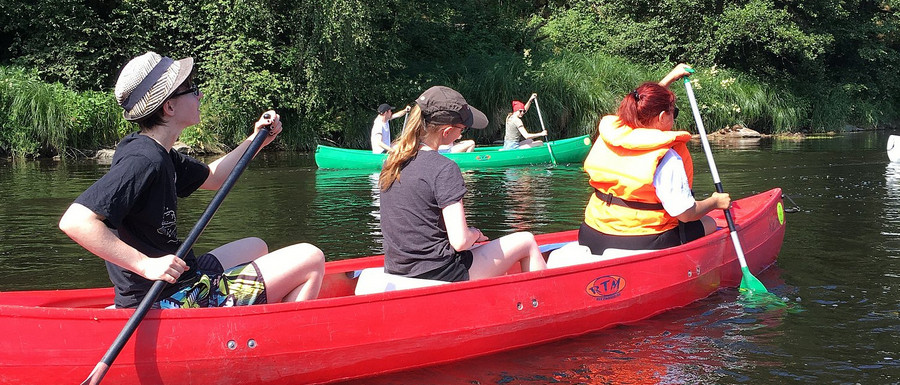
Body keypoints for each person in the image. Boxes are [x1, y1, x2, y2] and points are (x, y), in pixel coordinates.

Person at [58, 52, 325, 309]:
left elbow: (214, 177)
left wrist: (257, 140)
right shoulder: (144, 160)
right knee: (311, 258)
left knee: (256, 246)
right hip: (167, 298)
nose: (200, 95)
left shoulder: (159, 153)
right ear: (169, 106)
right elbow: (76, 221)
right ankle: (280, 331)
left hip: (182, 277)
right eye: (192, 89)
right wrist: (145, 265)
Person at [379, 85, 547, 282]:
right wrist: (474, 233)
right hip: (440, 272)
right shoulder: (444, 168)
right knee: (527, 241)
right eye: (462, 128)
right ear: (447, 131)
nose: (463, 134)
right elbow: (459, 242)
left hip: (398, 268)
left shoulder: (392, 163)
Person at [578, 64, 731, 255]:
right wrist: (715, 202)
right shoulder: (666, 157)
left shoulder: (613, 133)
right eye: (674, 113)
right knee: (709, 222)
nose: (674, 118)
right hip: (640, 239)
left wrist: (670, 78)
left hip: (591, 233)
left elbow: (641, 106)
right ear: (662, 116)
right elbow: (686, 214)